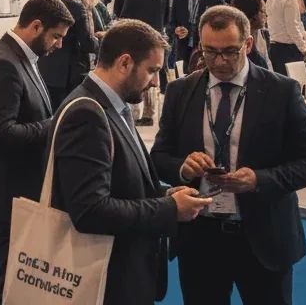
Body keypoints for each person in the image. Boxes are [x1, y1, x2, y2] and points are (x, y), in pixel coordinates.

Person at [151, 5, 306, 304]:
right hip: (200, 238)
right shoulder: (181, 91)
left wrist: (259, 179)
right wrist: (183, 167)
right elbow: (159, 157)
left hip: (263, 236)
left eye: (230, 52)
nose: (218, 61)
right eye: (210, 52)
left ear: (247, 44)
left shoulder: (282, 91)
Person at [49, 20, 209, 305]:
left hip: (122, 271)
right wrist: (169, 208)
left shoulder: (111, 105)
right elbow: (90, 210)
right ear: (124, 62)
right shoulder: (88, 113)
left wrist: (164, 193)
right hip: (106, 279)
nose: (155, 81)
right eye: (152, 70)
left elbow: (122, 183)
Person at [0, 0, 71, 305]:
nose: (59, 44)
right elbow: (0, 134)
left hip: (21, 189)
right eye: (56, 36)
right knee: (12, 281)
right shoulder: (3, 63)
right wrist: (54, 127)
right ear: (36, 26)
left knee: (20, 277)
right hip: (10, 194)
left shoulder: (20, 57)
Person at [119, 0, 170, 124]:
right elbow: (167, 19)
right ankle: (150, 114)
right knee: (153, 77)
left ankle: (134, 113)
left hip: (136, 39)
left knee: (136, 75)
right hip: (157, 40)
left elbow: (125, 17)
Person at [37, 0, 93, 109]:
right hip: (70, 74)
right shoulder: (76, 6)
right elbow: (86, 42)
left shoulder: (44, 3)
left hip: (45, 69)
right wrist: (102, 41)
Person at [169, 0, 224, 70]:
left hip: (206, 49)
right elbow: (170, 24)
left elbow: (222, 24)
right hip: (183, 50)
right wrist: (176, 30)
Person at [263, 0, 306, 73]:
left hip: (274, 48)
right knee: (294, 87)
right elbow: (293, 27)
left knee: (279, 86)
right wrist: (303, 48)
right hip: (289, 51)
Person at [230, 0, 271, 69]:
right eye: (263, 11)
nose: (266, 15)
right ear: (251, 16)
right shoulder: (236, 45)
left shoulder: (262, 34)